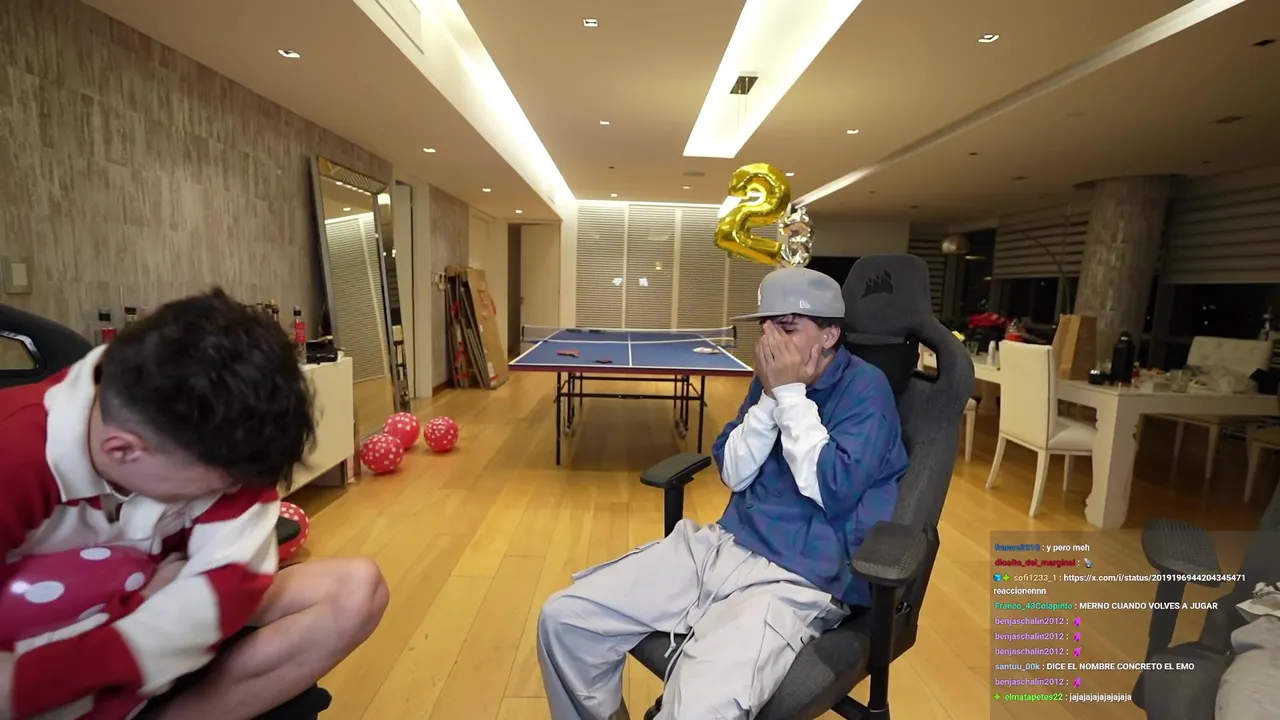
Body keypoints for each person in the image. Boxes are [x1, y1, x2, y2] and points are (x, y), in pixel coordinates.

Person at [537, 267, 909, 719]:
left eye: (787, 327)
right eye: (766, 327)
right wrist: (771, 398)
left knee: (697, 707)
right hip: (723, 546)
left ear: (829, 335)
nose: (770, 340)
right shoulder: (768, 382)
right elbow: (734, 472)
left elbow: (833, 488)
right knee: (564, 620)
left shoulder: (866, 389)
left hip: (799, 577)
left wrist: (791, 394)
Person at [0, 289, 389, 720]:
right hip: (45, 649)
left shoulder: (222, 437)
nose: (235, 493)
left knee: (357, 588)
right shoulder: (15, 453)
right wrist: (134, 613)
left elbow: (229, 586)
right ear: (124, 449)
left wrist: (144, 617)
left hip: (141, 635)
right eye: (218, 484)